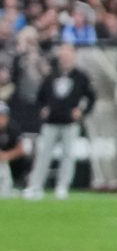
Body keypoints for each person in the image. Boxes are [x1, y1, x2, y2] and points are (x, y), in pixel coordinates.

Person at [26, 43, 95, 200]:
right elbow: (39, 97)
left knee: (68, 155)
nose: (65, 58)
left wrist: (81, 111)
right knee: (43, 154)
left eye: (68, 54)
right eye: (63, 55)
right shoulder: (51, 75)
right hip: (51, 122)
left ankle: (62, 186)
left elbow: (91, 97)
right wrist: (43, 109)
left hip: (70, 122)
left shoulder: (81, 76)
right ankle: (35, 185)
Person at [0, 101, 23, 196]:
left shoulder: (13, 128)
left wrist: (7, 155)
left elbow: (21, 149)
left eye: (3, 116)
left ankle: (18, 183)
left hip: (8, 160)